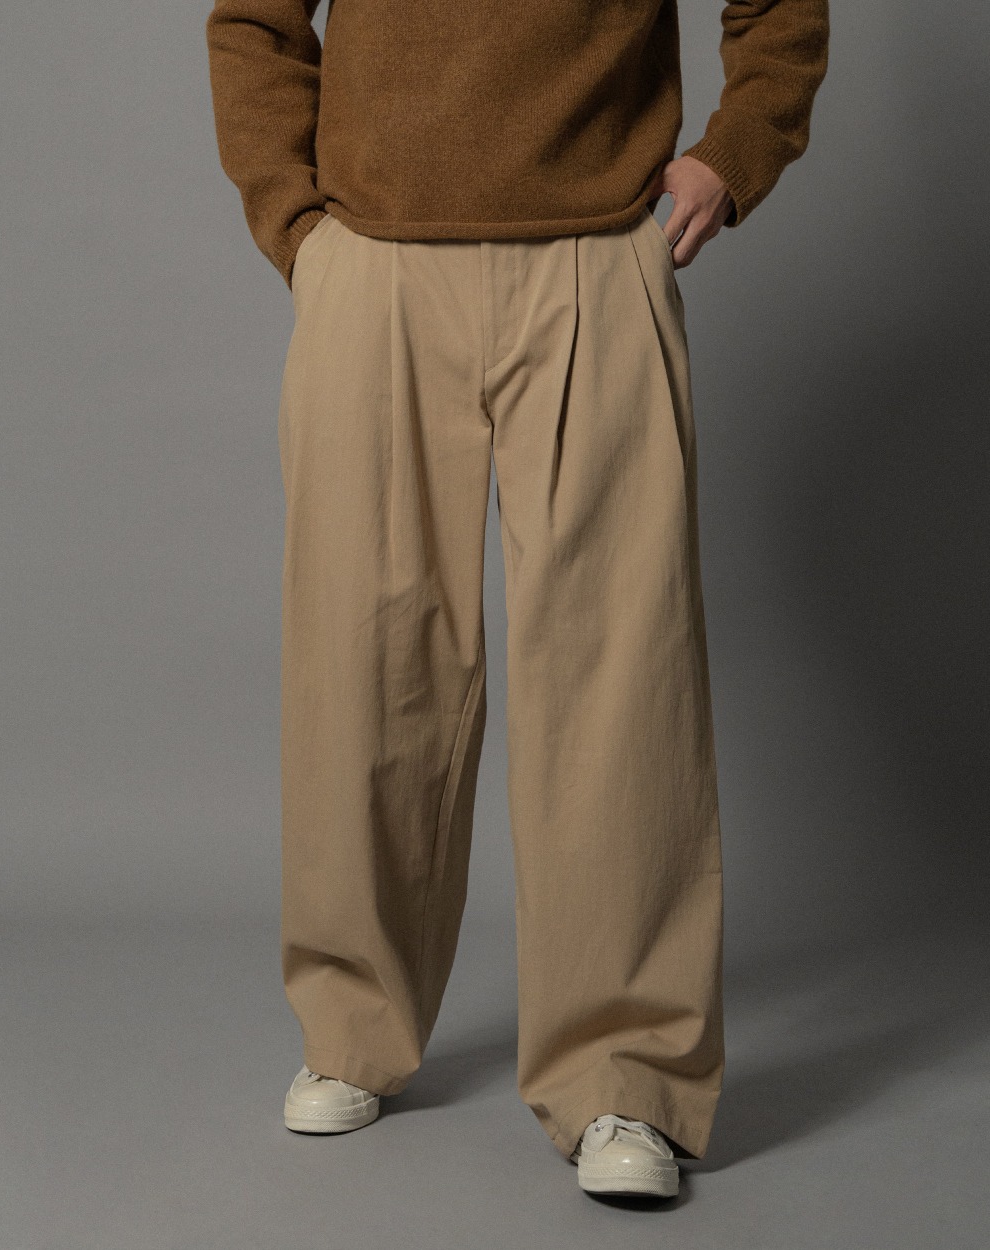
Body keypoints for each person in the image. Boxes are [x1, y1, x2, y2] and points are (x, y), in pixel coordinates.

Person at [205, 0, 829, 1199]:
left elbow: (780, 11)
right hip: (372, 259)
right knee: (364, 663)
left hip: (596, 254)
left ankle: (626, 1074)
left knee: (620, 683)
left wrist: (737, 149)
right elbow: (253, 19)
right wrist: (296, 225)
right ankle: (352, 1025)